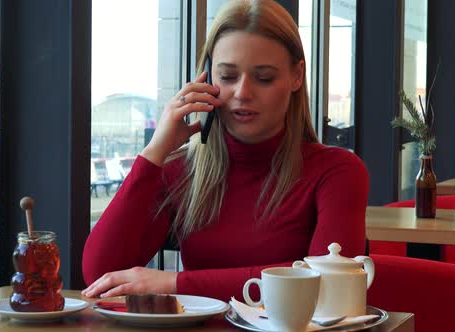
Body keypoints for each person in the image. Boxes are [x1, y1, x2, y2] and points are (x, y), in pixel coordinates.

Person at [82, 0, 369, 302]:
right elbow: (101, 275)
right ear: (207, 77)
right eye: (228, 77)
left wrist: (175, 284)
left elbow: (328, 285)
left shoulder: (337, 171)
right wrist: (155, 152)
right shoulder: (181, 170)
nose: (243, 93)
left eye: (264, 78)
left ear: (297, 76)